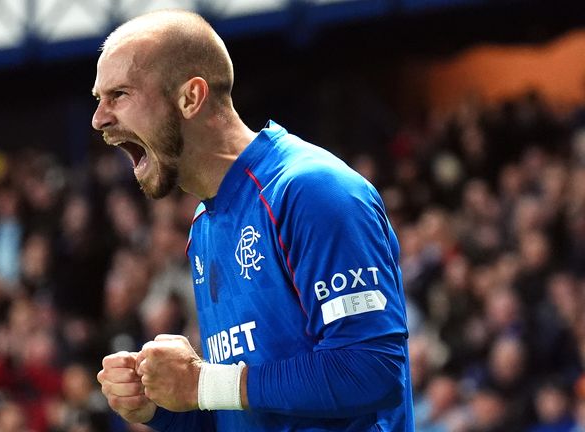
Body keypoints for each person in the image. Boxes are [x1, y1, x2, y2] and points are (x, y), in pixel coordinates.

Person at [92, 9, 414, 431]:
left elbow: (371, 371)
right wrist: (162, 409)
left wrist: (202, 383)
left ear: (190, 97)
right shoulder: (204, 226)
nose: (100, 119)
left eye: (119, 95)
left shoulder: (313, 191)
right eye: (99, 100)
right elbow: (246, 413)